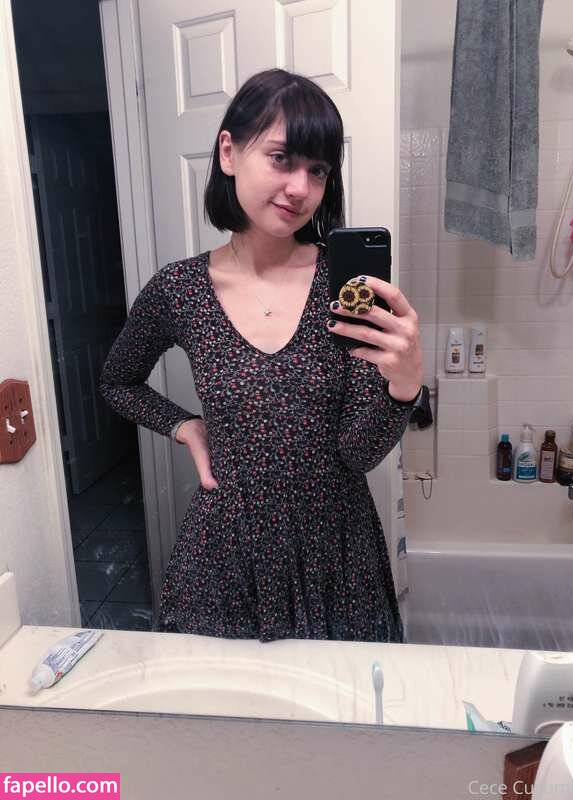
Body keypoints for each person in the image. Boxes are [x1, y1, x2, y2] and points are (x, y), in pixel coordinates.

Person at [99, 68, 424, 643]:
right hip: (227, 552)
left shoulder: (347, 288)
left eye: (318, 170)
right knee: (220, 698)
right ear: (229, 152)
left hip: (336, 554)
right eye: (281, 159)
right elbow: (117, 382)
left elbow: (357, 453)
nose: (300, 187)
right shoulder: (179, 290)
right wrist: (185, 427)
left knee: (342, 699)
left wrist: (404, 387)